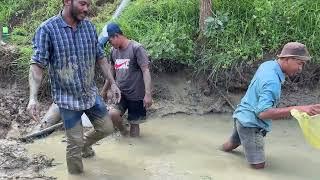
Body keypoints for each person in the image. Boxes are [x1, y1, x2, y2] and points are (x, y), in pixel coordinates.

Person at [26, 0, 121, 174]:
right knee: (73, 146)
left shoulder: (89, 28)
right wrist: (33, 97)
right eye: (83, 3)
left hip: (90, 94)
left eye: (89, 4)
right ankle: (77, 172)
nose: (87, 9)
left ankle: (82, 145)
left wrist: (113, 83)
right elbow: (37, 65)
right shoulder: (47, 29)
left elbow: (100, 58)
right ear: (67, 1)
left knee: (106, 127)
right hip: (67, 99)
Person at [221, 42, 320, 169]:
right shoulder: (272, 81)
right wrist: (297, 109)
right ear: (286, 59)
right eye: (299, 63)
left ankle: (214, 153)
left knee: (231, 145)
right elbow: (263, 113)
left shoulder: (268, 65)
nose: (300, 68)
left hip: (242, 115)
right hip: (251, 124)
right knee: (258, 167)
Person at [101, 22, 152, 137]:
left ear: (116, 36)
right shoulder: (114, 52)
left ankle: (134, 145)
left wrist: (148, 94)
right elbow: (111, 73)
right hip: (120, 93)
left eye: (110, 41)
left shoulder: (136, 48)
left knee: (134, 125)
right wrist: (105, 90)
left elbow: (146, 71)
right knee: (112, 114)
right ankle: (124, 132)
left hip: (137, 95)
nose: (110, 44)